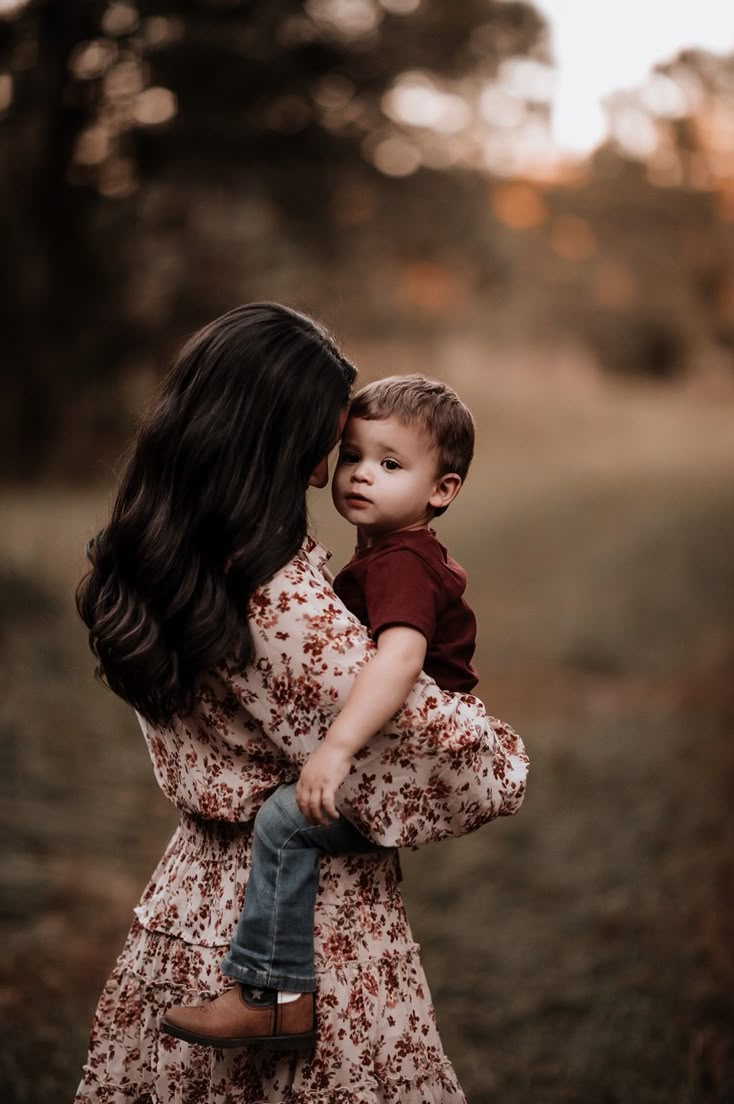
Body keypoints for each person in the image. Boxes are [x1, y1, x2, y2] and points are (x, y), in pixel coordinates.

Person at [74, 302, 529, 1104]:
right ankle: (269, 1000)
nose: (337, 465)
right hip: (312, 936)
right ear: (284, 438)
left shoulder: (152, 562)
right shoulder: (281, 600)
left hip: (183, 911)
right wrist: (501, 750)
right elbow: (467, 772)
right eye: (334, 438)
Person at [162, 375, 490, 1052]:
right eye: (352, 457)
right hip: (391, 753)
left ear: (442, 490)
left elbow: (399, 661)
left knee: (285, 824)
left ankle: (273, 995)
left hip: (400, 757)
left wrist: (336, 748)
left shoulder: (402, 564)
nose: (361, 475)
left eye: (390, 465)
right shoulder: (386, 555)